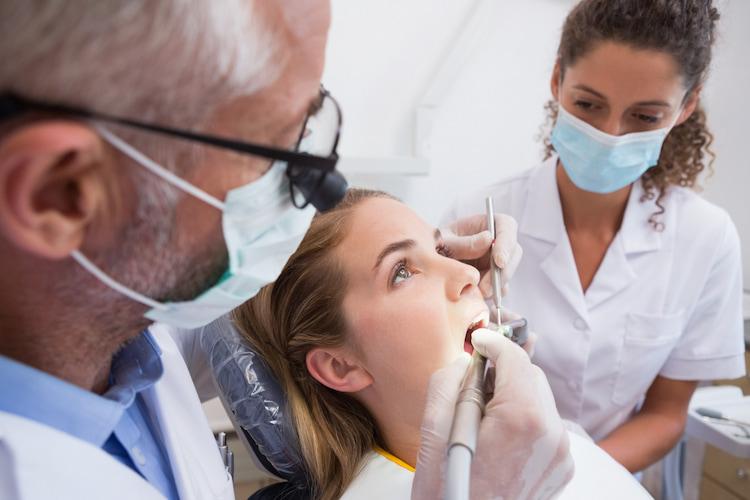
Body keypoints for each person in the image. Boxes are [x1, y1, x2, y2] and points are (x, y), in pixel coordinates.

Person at [0, 1, 570, 499]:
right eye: (274, 147)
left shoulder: (132, 332)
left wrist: (422, 258)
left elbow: (259, 315)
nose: (321, 189)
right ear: (61, 192)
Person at [447, 0, 746, 474]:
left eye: (645, 117)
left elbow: (666, 414)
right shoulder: (477, 216)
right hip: (485, 472)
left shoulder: (705, 239)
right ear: (557, 82)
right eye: (588, 104)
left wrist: (577, 481)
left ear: (686, 107)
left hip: (608, 480)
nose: (609, 133)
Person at [230, 187, 649, 499]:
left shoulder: (550, 446)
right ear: (341, 366)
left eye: (441, 249)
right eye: (402, 272)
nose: (466, 274)